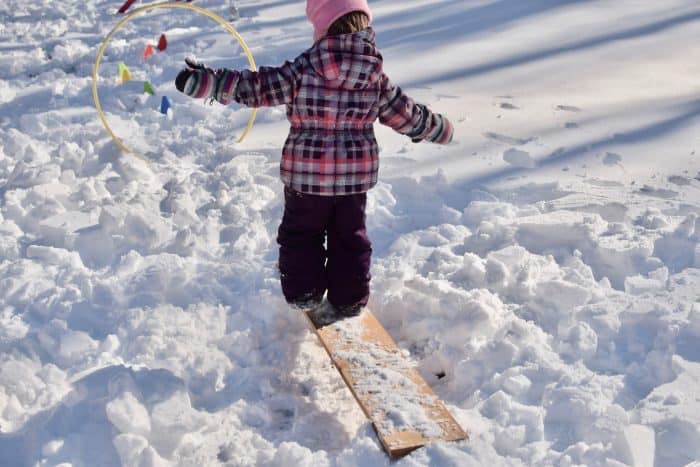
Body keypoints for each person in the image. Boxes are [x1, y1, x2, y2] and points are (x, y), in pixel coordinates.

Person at [175, 0, 453, 317]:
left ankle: (304, 292)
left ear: (321, 28)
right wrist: (436, 128)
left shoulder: (304, 68)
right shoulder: (374, 75)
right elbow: (405, 114)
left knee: (301, 234)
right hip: (352, 182)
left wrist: (209, 82)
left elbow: (258, 86)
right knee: (350, 237)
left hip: (306, 178)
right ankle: (349, 297)